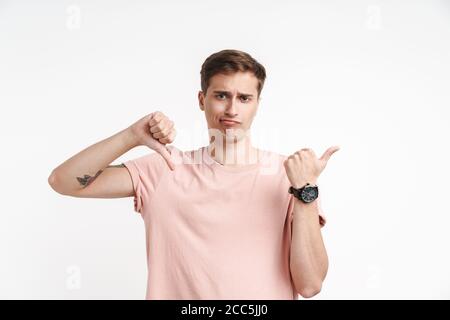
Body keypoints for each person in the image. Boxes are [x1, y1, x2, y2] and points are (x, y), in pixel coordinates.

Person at [48, 49, 339, 300]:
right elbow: (62, 181)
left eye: (244, 98)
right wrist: (131, 136)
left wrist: (305, 190)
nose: (231, 109)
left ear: (257, 104)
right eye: (221, 95)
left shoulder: (289, 175)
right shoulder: (165, 167)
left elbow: (311, 284)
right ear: (202, 99)